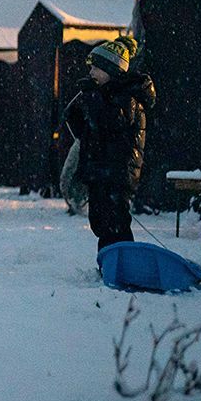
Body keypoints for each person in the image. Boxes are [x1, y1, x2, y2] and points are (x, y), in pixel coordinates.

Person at [63, 36, 155, 253]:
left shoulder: (127, 98)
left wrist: (92, 97)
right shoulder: (105, 96)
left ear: (111, 70)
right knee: (100, 222)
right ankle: (108, 261)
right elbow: (87, 133)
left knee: (115, 223)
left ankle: (123, 260)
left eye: (96, 68)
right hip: (99, 171)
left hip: (116, 174)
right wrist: (75, 111)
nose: (91, 72)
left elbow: (109, 123)